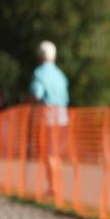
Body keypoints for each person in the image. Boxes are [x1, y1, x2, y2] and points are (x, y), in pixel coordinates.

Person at [30, 40, 69, 200]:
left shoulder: (39, 73)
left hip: (47, 118)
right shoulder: (60, 74)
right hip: (63, 117)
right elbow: (66, 98)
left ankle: (53, 187)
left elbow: (37, 94)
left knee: (49, 153)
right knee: (57, 154)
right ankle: (56, 185)